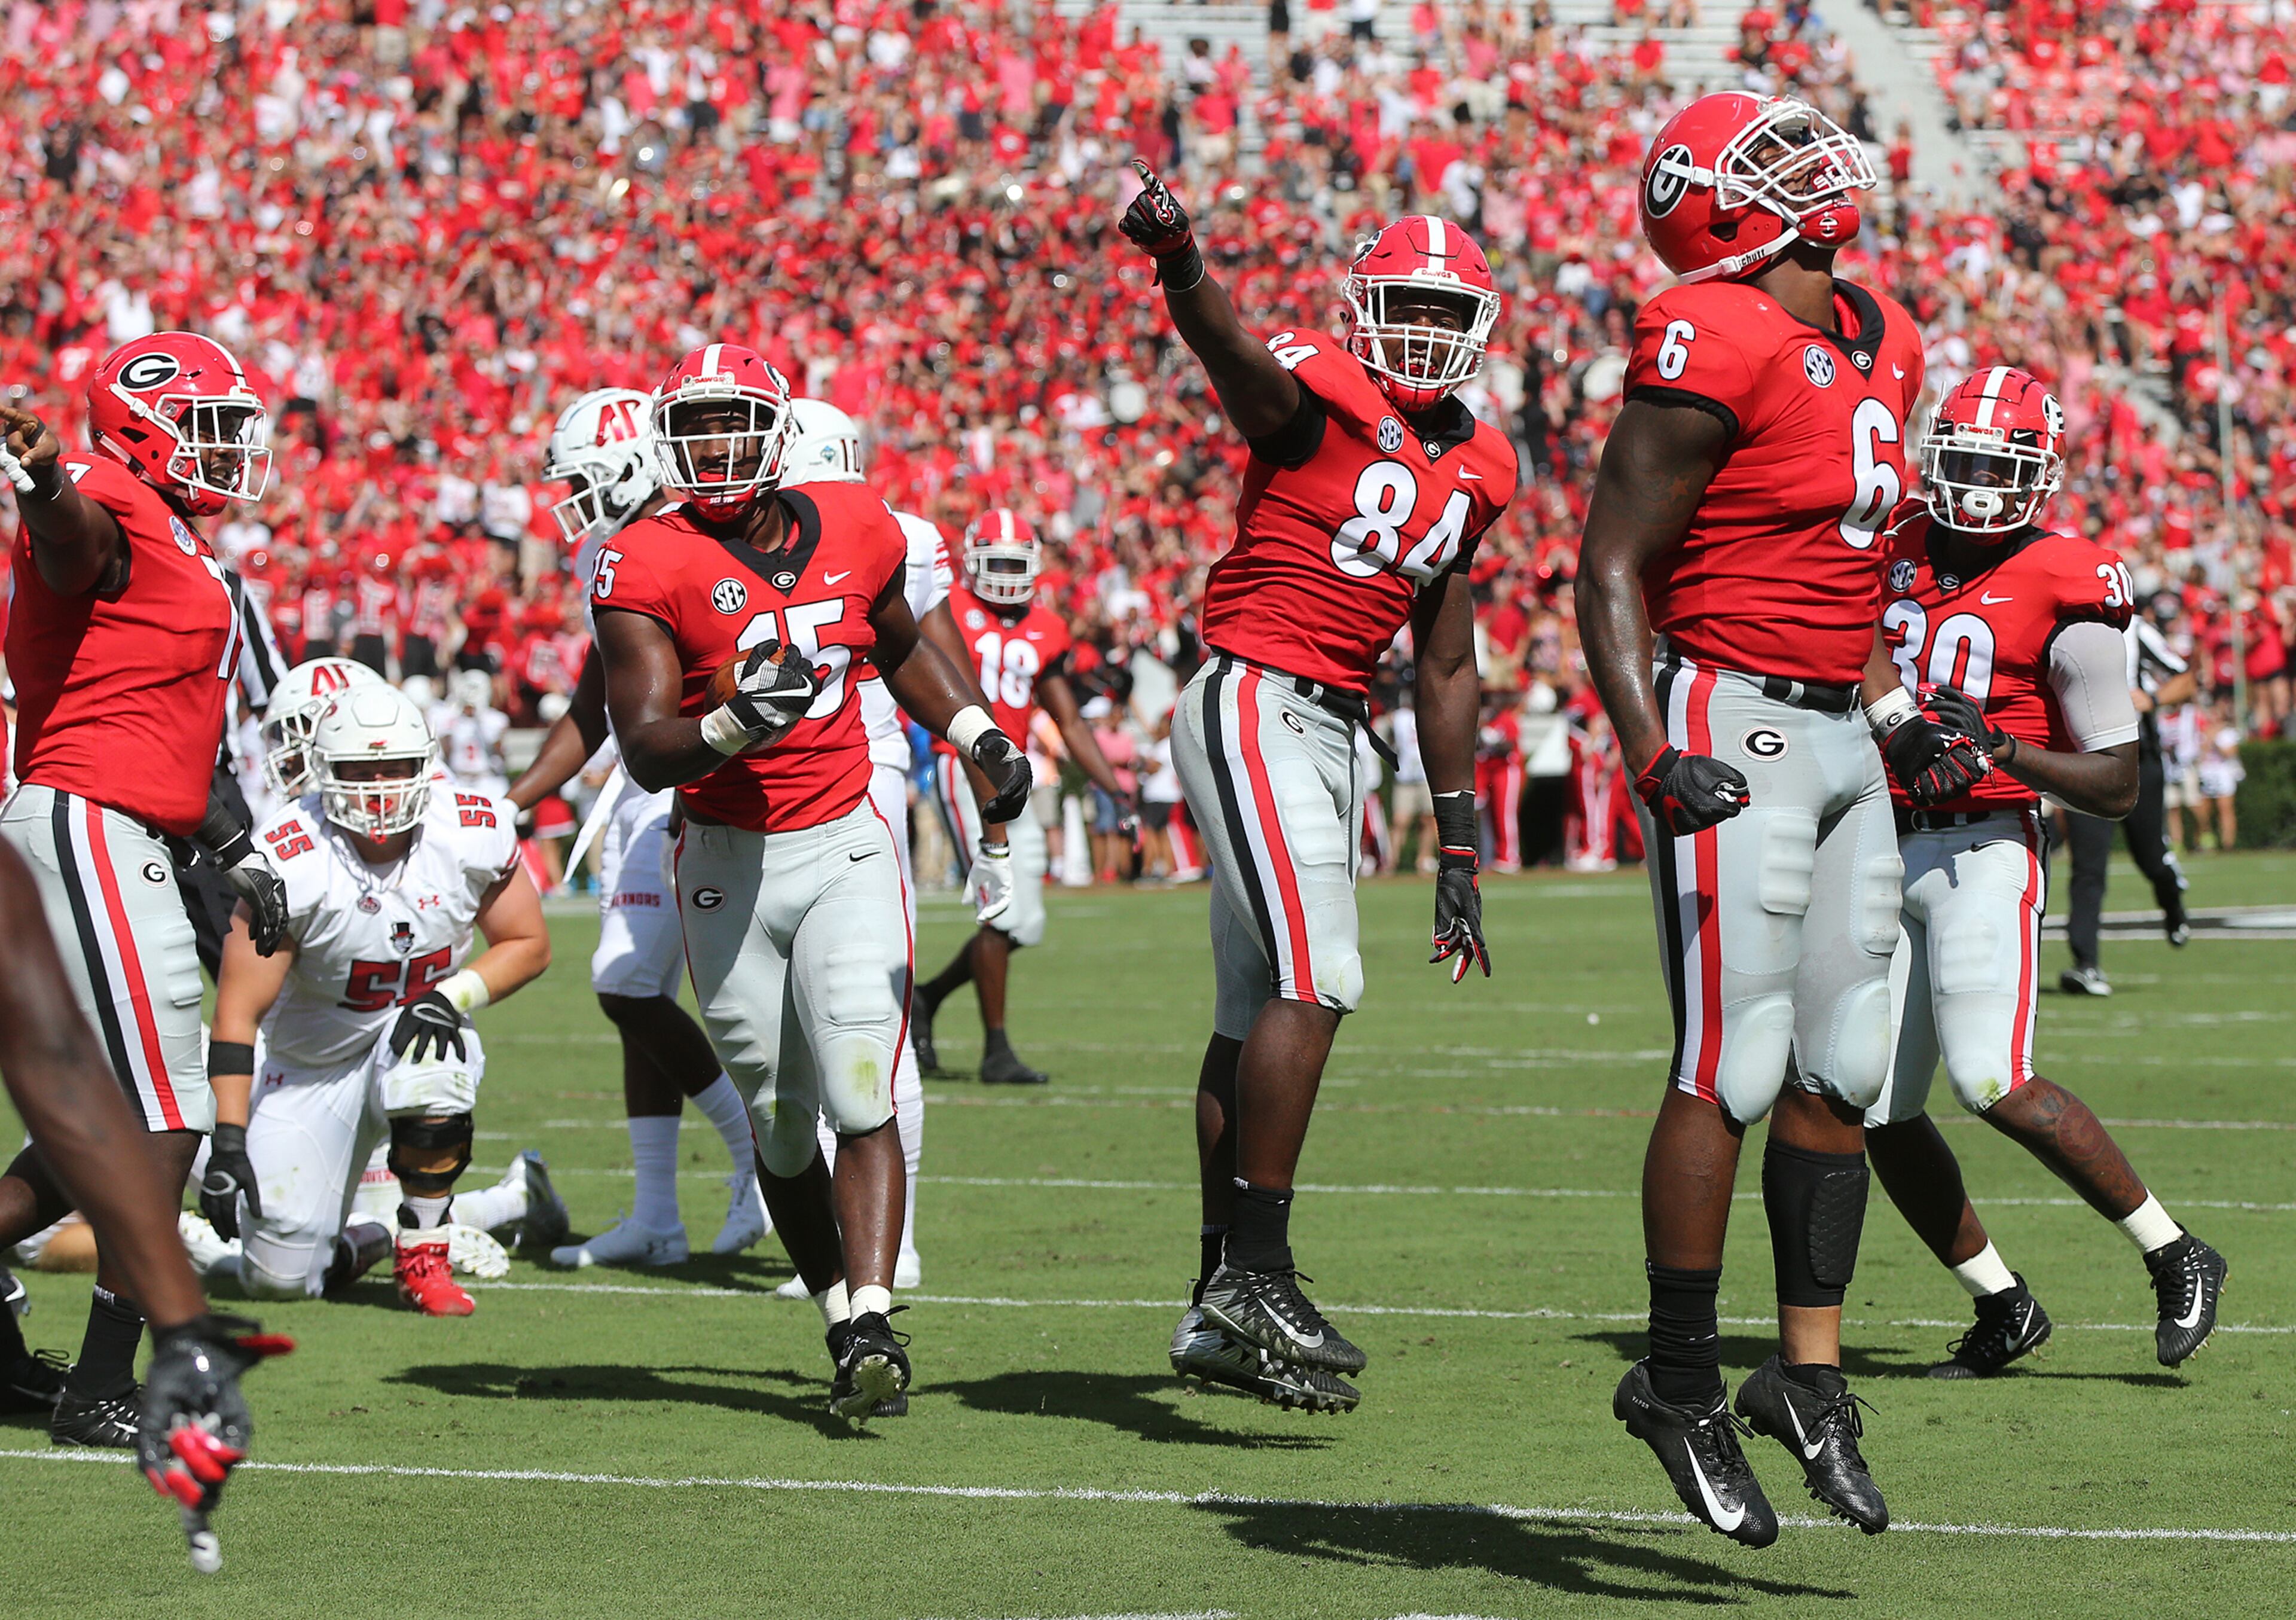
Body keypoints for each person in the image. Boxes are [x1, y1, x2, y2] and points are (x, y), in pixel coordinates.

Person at [1577, 94, 1970, 1545]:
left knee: (1843, 1069)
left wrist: (1893, 710)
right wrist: (1638, 743)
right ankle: (1675, 1380)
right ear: (1716, 206)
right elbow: (1610, 559)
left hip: (1838, 726)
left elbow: (1848, 577)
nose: (1813, 170)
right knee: (1727, 1061)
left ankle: (1805, 1378)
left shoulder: (1886, 329)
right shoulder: (1711, 330)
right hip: (1726, 714)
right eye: (1769, 163)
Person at [1119, 166, 1513, 1415]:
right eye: (1406, 306)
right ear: (1361, 303)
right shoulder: (1322, 385)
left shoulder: (1484, 460)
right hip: (1254, 691)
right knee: (1321, 977)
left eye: (1447, 316)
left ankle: (1211, 1309)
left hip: (1332, 725)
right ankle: (1261, 1268)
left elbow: (1444, 655)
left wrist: (1458, 840)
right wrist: (1183, 263)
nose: (1424, 334)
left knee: (1251, 1013)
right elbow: (1240, 360)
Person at [590, 344, 1030, 1420]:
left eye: (732, 424)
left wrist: (977, 731)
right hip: (724, 859)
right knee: (783, 1119)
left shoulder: (858, 520)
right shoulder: (642, 557)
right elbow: (647, 746)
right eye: (694, 430)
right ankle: (841, 1320)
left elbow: (896, 637)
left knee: (858, 1084)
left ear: (779, 429)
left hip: (844, 837)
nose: (715, 448)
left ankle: (874, 1317)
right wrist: (740, 719)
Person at [1860, 366, 2230, 1379]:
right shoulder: (1887, 542)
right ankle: (2003, 1302)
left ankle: (2174, 1247)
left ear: (2041, 475)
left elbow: (2115, 781)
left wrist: (2006, 751)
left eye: (2000, 464)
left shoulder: (2074, 576)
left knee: (1991, 1078)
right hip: (1880, 842)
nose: (1977, 482)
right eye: (1964, 458)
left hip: (1986, 843)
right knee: (1875, 1104)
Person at [0, 332, 293, 1447]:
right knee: (167, 1110)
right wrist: (41, 480)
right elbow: (70, 548)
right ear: (142, 425)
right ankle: (102, 1386)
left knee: (109, 1118)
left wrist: (247, 849)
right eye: (210, 424)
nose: (228, 448)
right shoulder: (104, 492)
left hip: (128, 822)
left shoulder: (183, 536)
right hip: (88, 816)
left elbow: (184, 737)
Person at [506, 387, 769, 1268]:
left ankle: (758, 1159)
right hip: (646, 782)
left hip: (698, 778)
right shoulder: (614, 555)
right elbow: (594, 700)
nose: (569, 500)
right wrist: (515, 802)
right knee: (637, 993)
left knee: (628, 982)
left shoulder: (692, 542)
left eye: (582, 479)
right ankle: (658, 1212)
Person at [202, 685, 561, 1315]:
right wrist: (229, 1139)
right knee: (279, 1280)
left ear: (426, 765)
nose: (379, 788)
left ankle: (423, 1251)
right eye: (359, 771)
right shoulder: (292, 856)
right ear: (325, 773)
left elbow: (528, 943)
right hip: (309, 1069)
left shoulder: (467, 829)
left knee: (433, 1057)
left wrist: (449, 998)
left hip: (412, 1035)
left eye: (394, 767)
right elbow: (237, 1011)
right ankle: (377, 1236)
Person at [0, 838, 287, 1542]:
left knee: (128, 1107)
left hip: (96, 834)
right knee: (157, 1115)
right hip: (98, 826)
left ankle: (46, 1369)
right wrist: (231, 843)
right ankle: (97, 1387)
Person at [773, 397, 945, 1290]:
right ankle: (851, 1239)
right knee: (803, 1038)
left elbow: (927, 653)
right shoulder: (867, 523)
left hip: (854, 777)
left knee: (868, 1023)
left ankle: (892, 1243)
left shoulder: (876, 532)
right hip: (810, 781)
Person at [913, 510, 1139, 1087]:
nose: (1009, 576)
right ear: (971, 561)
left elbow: (1069, 720)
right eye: (1000, 564)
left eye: (1018, 564)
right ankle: (995, 1049)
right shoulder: (948, 609)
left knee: (1025, 923)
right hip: (956, 760)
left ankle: (928, 997)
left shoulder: (1047, 627)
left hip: (1013, 773)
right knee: (1001, 910)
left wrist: (1116, 789)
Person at [2059, 592, 2196, 993]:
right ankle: (2086, 963)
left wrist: (2152, 699)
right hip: (2085, 758)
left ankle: (2173, 902)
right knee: (2088, 865)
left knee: (2151, 855)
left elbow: (2186, 678)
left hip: (2137, 758)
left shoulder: (2136, 630)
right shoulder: (2059, 632)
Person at [440, 667, 510, 796]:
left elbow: (503, 756)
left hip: (486, 779)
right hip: (459, 779)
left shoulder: (495, 719)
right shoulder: (451, 718)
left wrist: (488, 732)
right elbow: (446, 753)